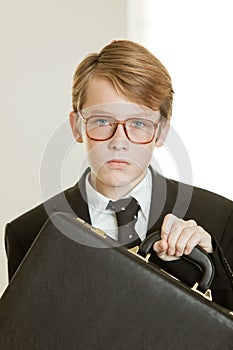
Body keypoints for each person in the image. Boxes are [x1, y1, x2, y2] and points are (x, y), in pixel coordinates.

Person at [5, 39, 233, 310]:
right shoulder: (29, 233)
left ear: (160, 132)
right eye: (102, 121)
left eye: (139, 123)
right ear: (77, 127)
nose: (119, 141)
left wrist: (214, 266)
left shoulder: (219, 218)